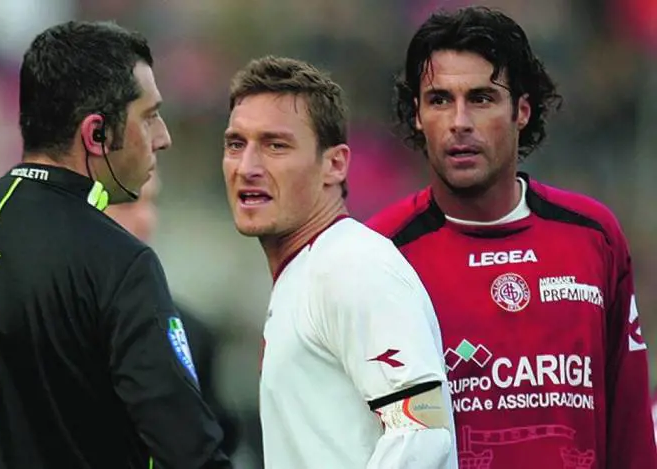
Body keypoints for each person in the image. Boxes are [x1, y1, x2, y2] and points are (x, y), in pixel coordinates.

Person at [0, 21, 231, 469]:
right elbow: (190, 452)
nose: (162, 137)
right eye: (149, 117)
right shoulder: (121, 264)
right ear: (96, 134)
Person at [367, 6, 657, 469]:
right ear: (417, 115)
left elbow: (631, 431)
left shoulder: (593, 236)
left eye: (481, 98)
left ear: (522, 110)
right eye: (439, 100)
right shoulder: (378, 253)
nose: (459, 121)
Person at [222, 55, 458, 468]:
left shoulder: (353, 266)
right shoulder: (308, 271)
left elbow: (422, 430)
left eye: (276, 145)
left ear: (334, 165)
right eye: (236, 144)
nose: (247, 167)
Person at [105, 174, 242, 457]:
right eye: (126, 202)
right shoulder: (38, 323)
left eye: (152, 201)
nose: (146, 219)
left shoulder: (190, 336)